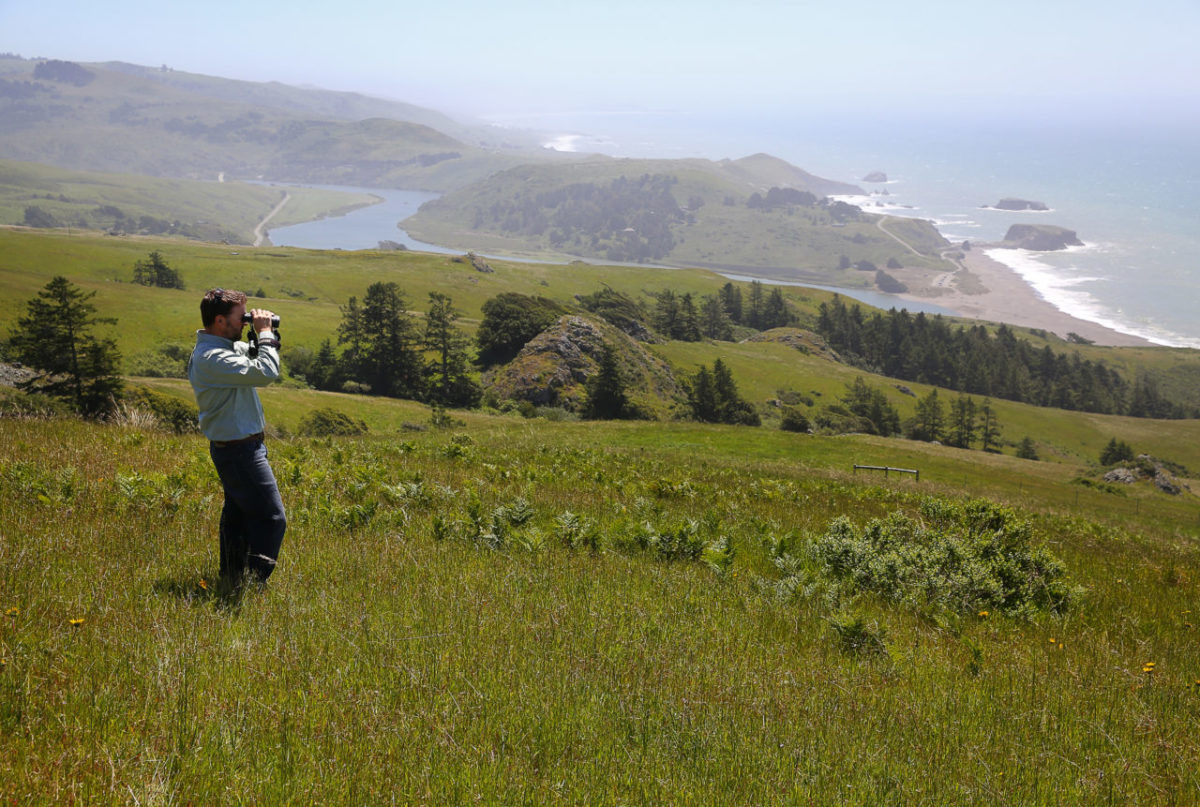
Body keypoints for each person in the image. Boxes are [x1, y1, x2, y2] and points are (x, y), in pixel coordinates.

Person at [188, 288, 286, 586]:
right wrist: (265, 332)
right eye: (239, 318)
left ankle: (231, 577)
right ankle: (256, 583)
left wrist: (264, 336)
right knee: (272, 518)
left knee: (239, 516)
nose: (245, 322)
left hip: (241, 447)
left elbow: (259, 354)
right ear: (219, 320)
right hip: (239, 452)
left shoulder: (226, 348)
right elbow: (266, 372)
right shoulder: (212, 357)